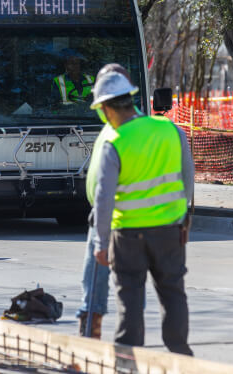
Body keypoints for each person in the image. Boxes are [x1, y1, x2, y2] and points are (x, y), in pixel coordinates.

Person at [92, 70, 194, 355]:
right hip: (169, 231)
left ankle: (127, 360)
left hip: (128, 237)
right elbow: (188, 179)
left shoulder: (115, 142)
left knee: (130, 300)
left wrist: (101, 244)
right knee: (173, 293)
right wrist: (184, 220)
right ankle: (180, 355)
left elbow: (104, 199)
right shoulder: (171, 130)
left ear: (107, 108)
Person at [77, 63, 138, 339]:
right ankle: (91, 331)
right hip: (102, 215)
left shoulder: (130, 128)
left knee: (116, 283)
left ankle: (106, 337)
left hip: (120, 215)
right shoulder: (109, 125)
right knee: (93, 281)